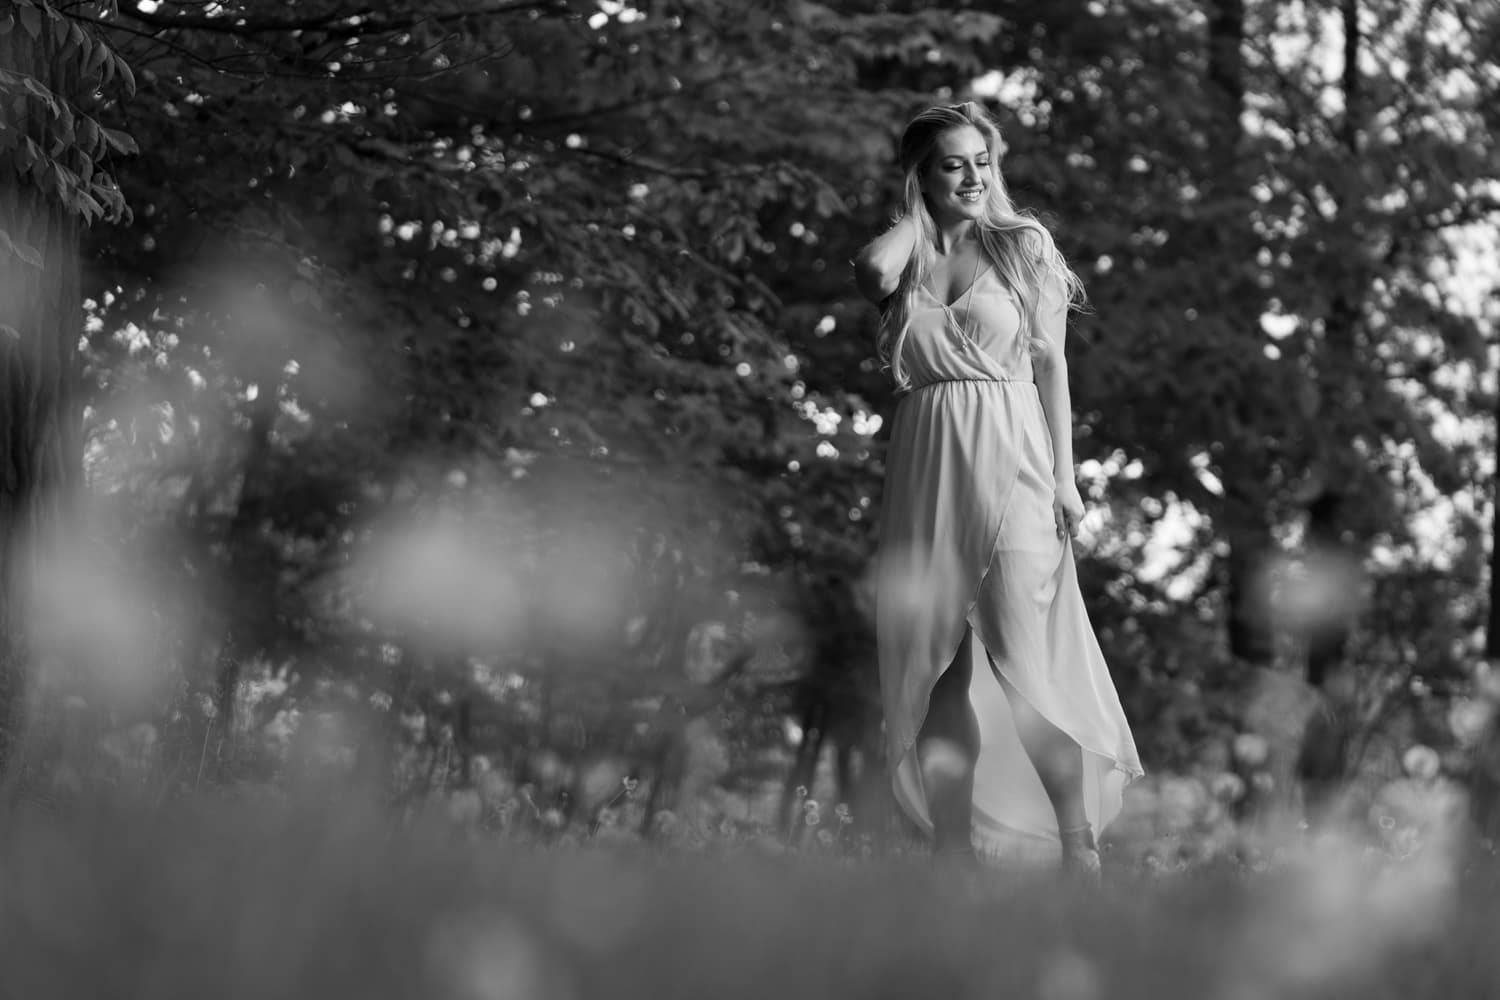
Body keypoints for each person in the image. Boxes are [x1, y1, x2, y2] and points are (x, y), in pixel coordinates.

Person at [853, 102, 1143, 876]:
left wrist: (1066, 480)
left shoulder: (1022, 247)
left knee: (1025, 659)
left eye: (984, 160)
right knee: (938, 666)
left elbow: (1053, 371)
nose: (976, 176)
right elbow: (874, 271)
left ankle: (1078, 848)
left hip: (1013, 461)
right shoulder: (906, 259)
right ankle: (952, 857)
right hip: (926, 471)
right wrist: (918, 216)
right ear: (921, 175)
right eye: (954, 162)